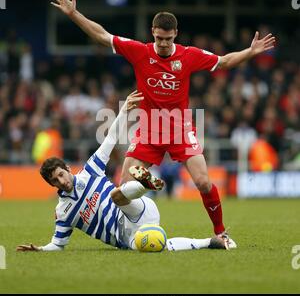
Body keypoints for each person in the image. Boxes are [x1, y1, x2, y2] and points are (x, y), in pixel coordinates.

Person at [50, 0, 275, 243]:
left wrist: (250, 51)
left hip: (180, 129)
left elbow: (223, 62)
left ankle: (220, 233)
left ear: (175, 34)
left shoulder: (188, 55)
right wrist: (73, 14)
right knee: (122, 188)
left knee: (203, 182)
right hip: (149, 129)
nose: (164, 43)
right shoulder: (140, 52)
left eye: (168, 39)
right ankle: (137, 212)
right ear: (152, 33)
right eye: (159, 38)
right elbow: (103, 36)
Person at [16, 91, 232, 253]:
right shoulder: (63, 211)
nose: (61, 181)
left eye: (61, 174)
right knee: (158, 246)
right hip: (127, 238)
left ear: (66, 168)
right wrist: (41, 250)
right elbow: (58, 244)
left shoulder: (89, 170)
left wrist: (123, 110)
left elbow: (110, 139)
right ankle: (211, 243)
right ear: (52, 185)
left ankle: (144, 183)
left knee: (115, 194)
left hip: (137, 209)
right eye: (55, 181)